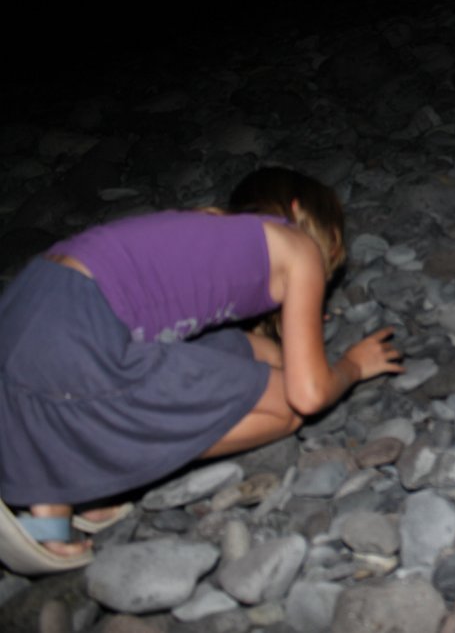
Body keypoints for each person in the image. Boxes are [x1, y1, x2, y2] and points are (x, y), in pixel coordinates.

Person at [0, 167, 404, 574]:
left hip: (28, 305)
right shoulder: (298, 247)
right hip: (75, 334)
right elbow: (309, 394)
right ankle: (65, 482)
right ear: (297, 209)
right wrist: (351, 366)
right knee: (287, 409)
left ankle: (66, 477)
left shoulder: (212, 237)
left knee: (256, 353)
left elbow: (258, 353)